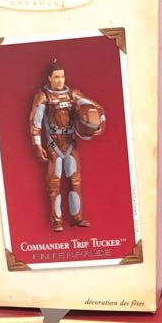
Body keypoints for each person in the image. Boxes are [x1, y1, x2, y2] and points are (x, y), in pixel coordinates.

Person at [28, 60, 105, 232]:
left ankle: (76, 218)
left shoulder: (72, 94)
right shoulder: (43, 96)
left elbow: (95, 107)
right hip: (53, 145)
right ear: (49, 78)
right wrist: (37, 145)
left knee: (75, 182)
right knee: (53, 185)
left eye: (62, 76)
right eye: (56, 77)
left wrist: (100, 123)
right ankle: (57, 221)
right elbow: (35, 123)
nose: (60, 80)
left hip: (70, 144)